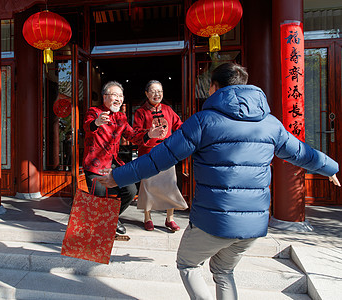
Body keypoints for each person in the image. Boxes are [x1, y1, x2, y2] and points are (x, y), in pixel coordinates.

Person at [97, 63, 340, 299]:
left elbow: (158, 159)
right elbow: (302, 153)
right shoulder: (271, 124)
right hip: (253, 225)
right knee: (224, 270)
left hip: (213, 220)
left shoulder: (203, 121)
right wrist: (330, 167)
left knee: (188, 264)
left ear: (214, 87)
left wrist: (116, 177)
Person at [83, 81, 165, 235]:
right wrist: (97, 122)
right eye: (114, 95)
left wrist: (149, 134)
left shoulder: (121, 117)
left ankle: (110, 219)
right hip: (95, 165)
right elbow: (88, 126)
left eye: (120, 96)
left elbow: (132, 136)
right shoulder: (94, 112)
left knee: (130, 189)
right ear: (105, 97)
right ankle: (103, 229)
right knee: (99, 199)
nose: (118, 99)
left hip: (114, 163)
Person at [133, 80, 188, 231]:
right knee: (147, 186)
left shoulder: (168, 110)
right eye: (153, 91)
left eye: (160, 91)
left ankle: (169, 218)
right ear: (146, 93)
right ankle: (147, 217)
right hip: (148, 153)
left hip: (167, 153)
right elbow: (136, 133)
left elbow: (179, 126)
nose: (157, 94)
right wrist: (148, 134)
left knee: (170, 185)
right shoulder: (140, 112)